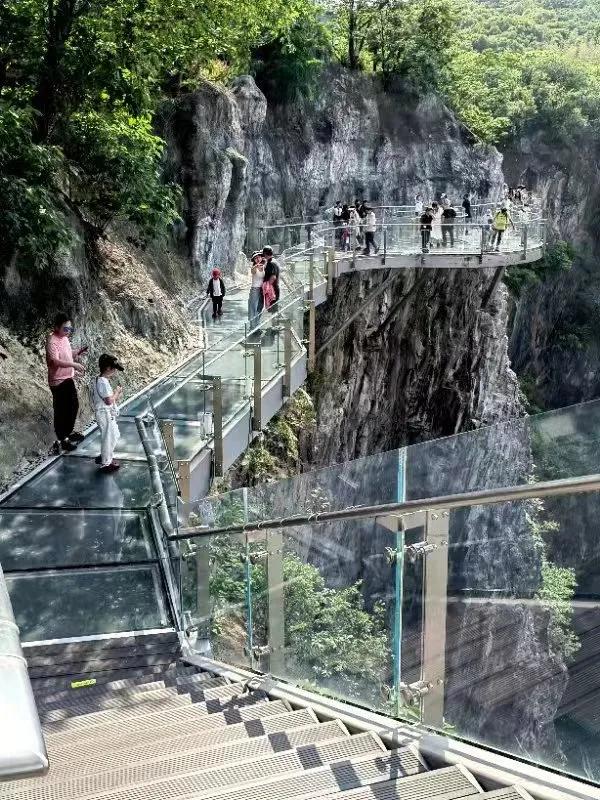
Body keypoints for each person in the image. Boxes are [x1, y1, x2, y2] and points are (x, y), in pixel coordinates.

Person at [46, 312, 87, 453]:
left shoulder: (64, 338)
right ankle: (63, 439)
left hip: (67, 378)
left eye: (70, 329)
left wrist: (77, 352)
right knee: (61, 411)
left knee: (73, 406)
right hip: (58, 381)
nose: (68, 331)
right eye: (65, 328)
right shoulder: (52, 341)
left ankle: (67, 433)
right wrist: (73, 365)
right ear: (57, 327)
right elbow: (55, 361)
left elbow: (67, 353)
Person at [92, 354, 123, 474]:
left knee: (114, 434)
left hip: (104, 413)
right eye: (114, 368)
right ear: (108, 368)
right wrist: (117, 392)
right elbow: (109, 400)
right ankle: (106, 463)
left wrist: (115, 395)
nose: (115, 370)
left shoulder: (98, 379)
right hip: (104, 414)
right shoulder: (103, 382)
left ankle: (105, 455)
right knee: (109, 437)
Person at [248, 252, 265, 323]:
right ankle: (252, 325)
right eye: (255, 258)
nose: (257, 259)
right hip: (255, 289)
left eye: (259, 257)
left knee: (260, 307)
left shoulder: (264, 267)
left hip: (262, 289)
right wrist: (256, 266)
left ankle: (257, 323)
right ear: (254, 260)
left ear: (261, 257)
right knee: (253, 307)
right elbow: (253, 271)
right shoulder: (254, 268)